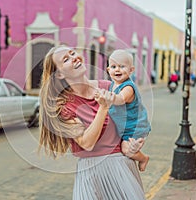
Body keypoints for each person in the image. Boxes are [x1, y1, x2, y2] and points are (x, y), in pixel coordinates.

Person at [39, 45, 146, 199]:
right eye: (66, 59)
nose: (74, 57)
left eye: (72, 53)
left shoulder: (108, 86)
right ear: (60, 74)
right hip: (92, 173)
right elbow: (87, 143)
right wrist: (103, 108)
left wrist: (135, 141)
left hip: (121, 168)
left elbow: (131, 118)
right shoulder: (64, 106)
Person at [106, 49, 151, 172]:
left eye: (122, 66)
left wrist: (109, 98)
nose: (117, 70)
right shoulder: (112, 84)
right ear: (108, 69)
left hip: (134, 127)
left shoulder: (128, 87)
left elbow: (121, 99)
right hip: (125, 127)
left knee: (126, 150)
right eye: (113, 66)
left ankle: (143, 158)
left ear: (131, 70)